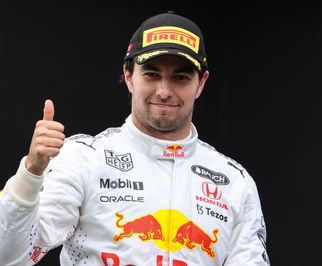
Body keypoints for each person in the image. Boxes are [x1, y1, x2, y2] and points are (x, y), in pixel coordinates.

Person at [0, 11, 270, 266]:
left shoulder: (235, 182)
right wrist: (31, 173)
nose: (164, 91)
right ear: (129, 76)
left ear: (201, 83)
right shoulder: (83, 159)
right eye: (152, 74)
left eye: (181, 77)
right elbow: (10, 257)